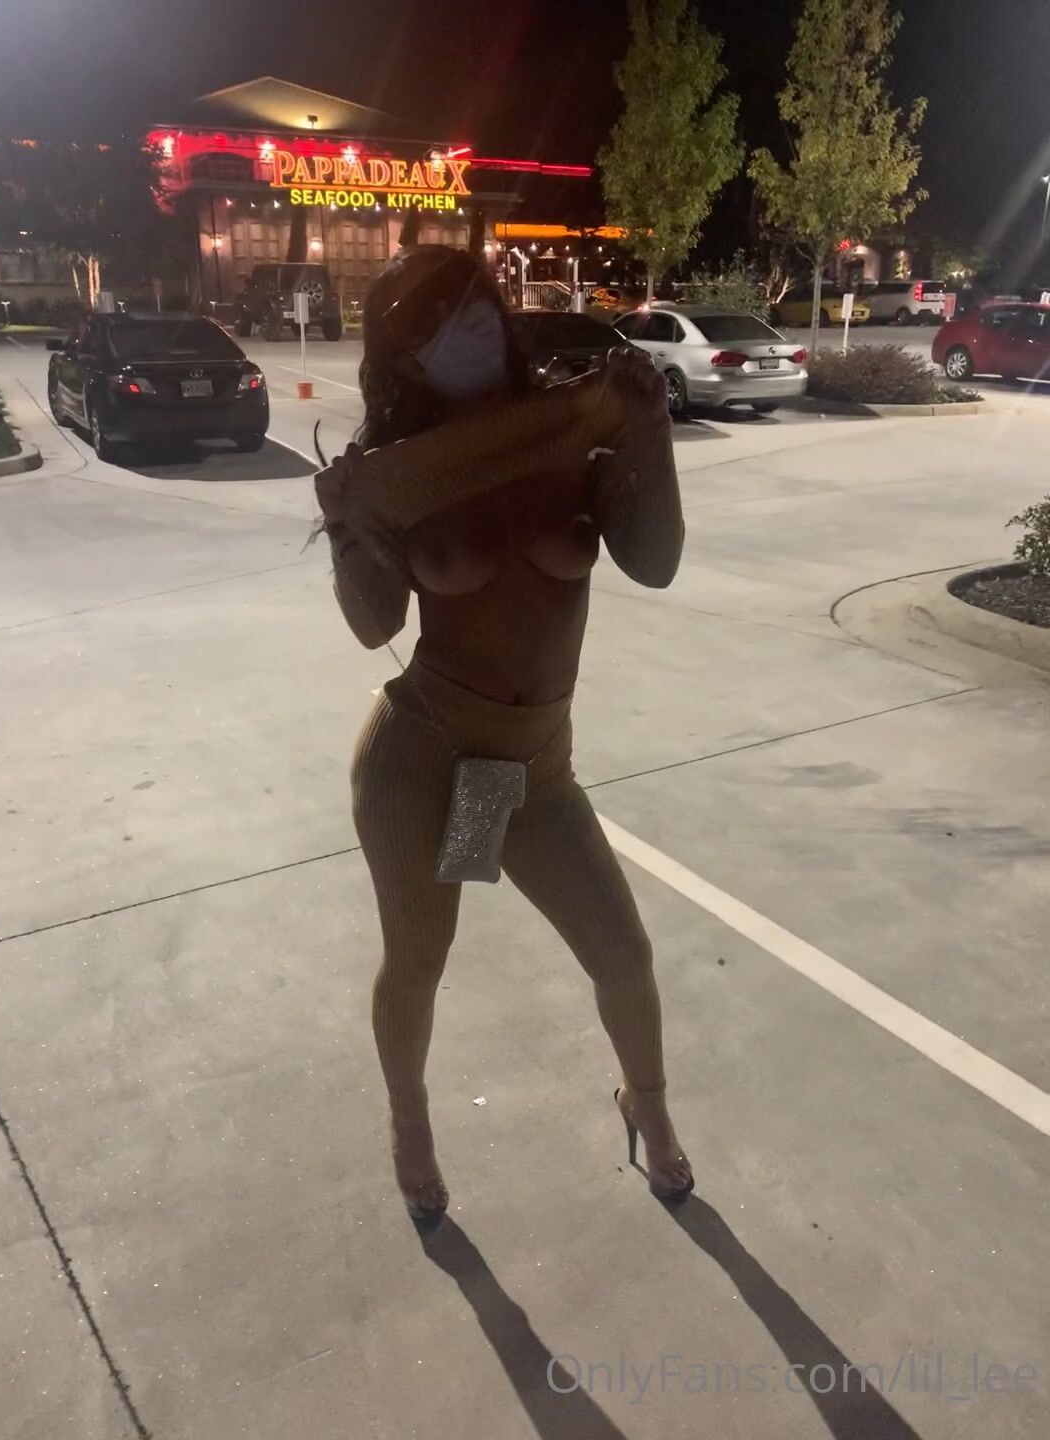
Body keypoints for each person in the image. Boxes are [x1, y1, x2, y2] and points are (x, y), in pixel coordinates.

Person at [314, 245, 692, 1226]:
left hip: (531, 771)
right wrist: (350, 528)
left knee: (623, 954)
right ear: (405, 361)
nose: (467, 333)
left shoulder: (574, 428)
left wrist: (648, 425)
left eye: (476, 308)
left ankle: (646, 1105)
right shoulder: (407, 472)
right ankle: (410, 1123)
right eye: (433, 330)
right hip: (424, 761)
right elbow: (373, 623)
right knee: (419, 962)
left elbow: (654, 562)